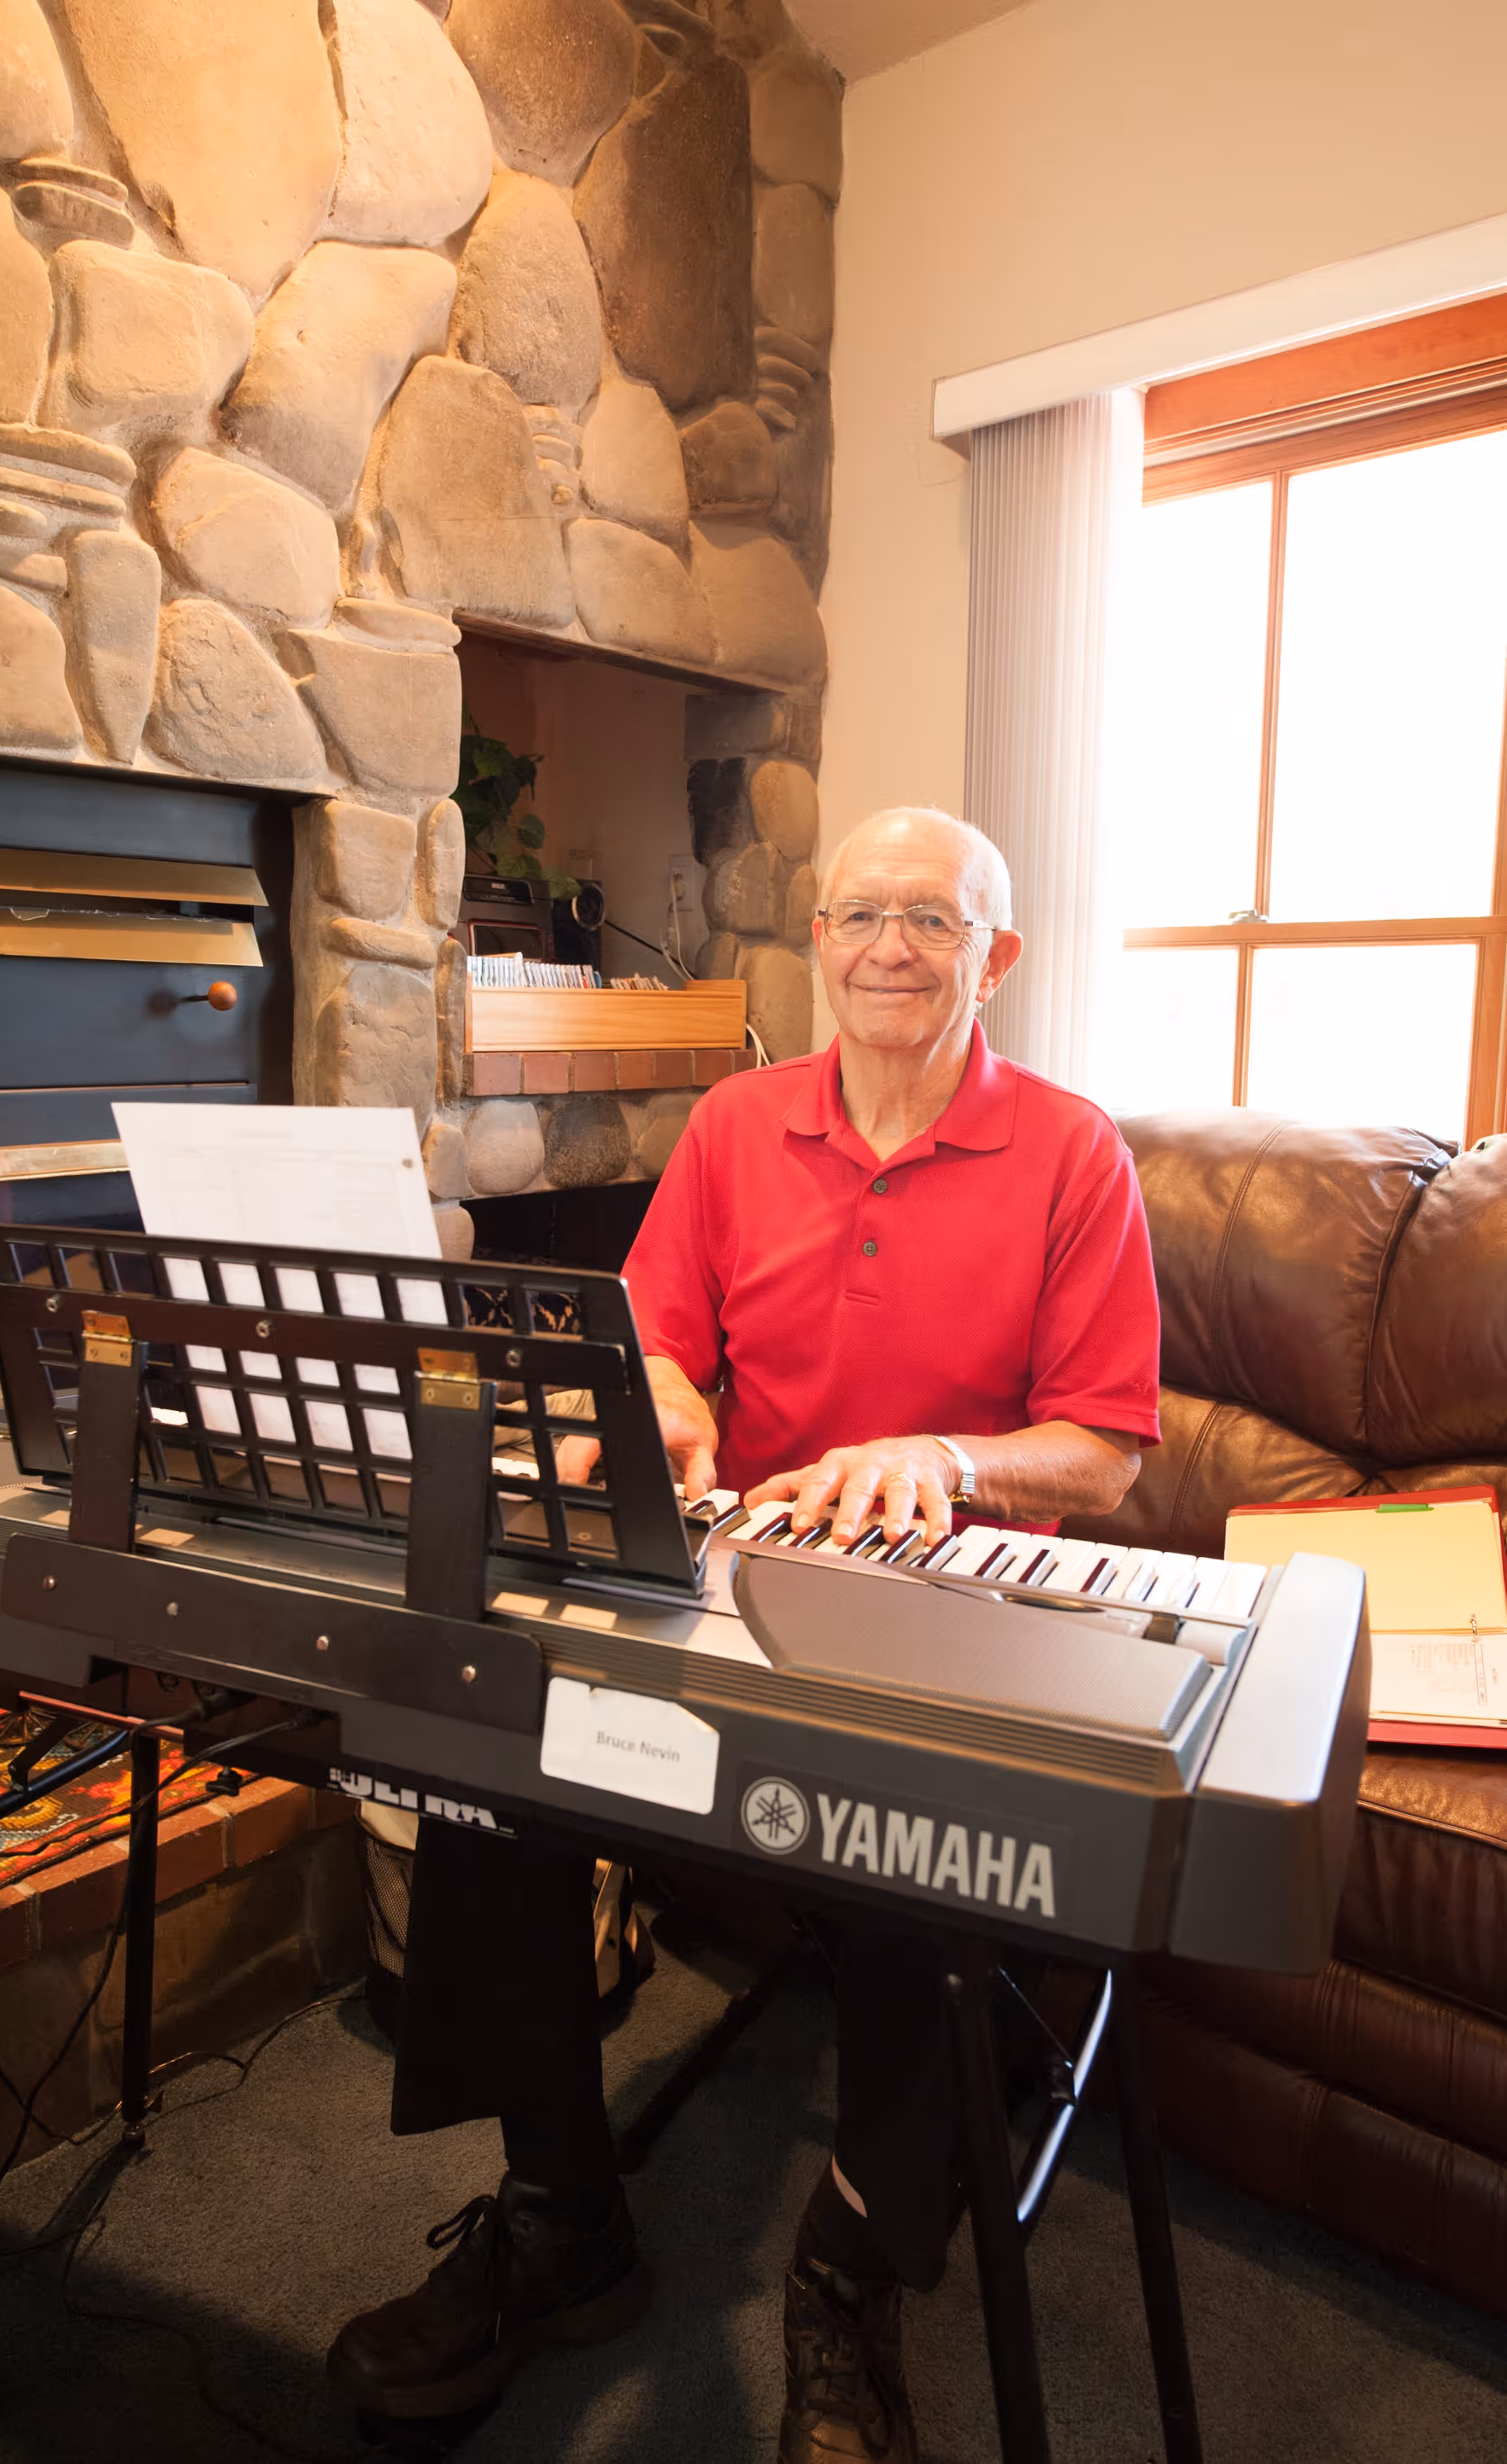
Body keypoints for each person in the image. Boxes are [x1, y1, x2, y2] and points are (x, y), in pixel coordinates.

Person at [328, 808, 1161, 2461]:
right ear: (819, 941)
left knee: (924, 1867)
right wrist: (666, 1408)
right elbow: (653, 1342)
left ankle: (852, 2267)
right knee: (497, 1756)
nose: (888, 949)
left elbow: (1110, 1449)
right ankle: (565, 2215)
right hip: (727, 1571)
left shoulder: (1074, 1152)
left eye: (931, 918)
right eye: (859, 914)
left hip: (953, 1610)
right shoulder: (731, 1122)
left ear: (999, 954)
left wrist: (946, 1454)